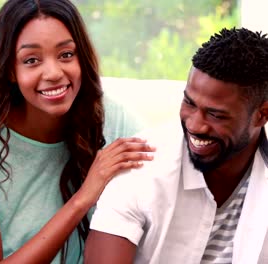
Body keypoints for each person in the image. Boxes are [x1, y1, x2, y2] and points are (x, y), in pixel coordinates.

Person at [0, 0, 155, 263]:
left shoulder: (109, 118)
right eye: (31, 60)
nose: (54, 73)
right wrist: (83, 199)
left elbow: (165, 184)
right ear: (11, 70)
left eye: (66, 54)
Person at [84, 27, 268, 264]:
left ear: (262, 115)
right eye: (189, 103)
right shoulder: (139, 169)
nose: (195, 125)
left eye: (216, 115)